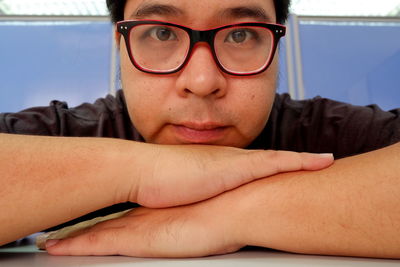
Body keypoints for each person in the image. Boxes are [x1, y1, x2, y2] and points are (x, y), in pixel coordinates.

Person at [0, 0, 399, 259]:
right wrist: (143, 173)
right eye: (162, 33)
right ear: (119, 44)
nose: (203, 80)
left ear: (277, 43)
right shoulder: (60, 134)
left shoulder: (330, 133)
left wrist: (231, 213)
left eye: (241, 34)